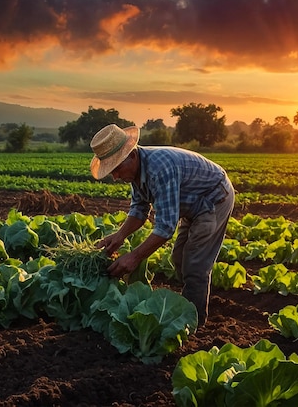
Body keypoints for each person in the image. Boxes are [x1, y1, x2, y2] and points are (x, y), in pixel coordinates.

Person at [91, 123, 235, 326]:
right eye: (111, 171)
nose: (115, 177)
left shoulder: (159, 168)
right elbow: (139, 211)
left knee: (195, 263)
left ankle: (193, 323)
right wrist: (119, 236)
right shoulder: (135, 171)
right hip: (190, 203)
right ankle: (189, 303)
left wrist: (135, 257)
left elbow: (166, 227)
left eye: (116, 169)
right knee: (179, 258)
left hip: (213, 198)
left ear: (132, 155)